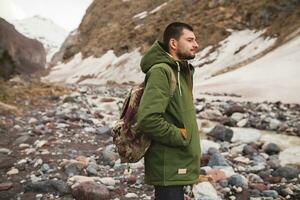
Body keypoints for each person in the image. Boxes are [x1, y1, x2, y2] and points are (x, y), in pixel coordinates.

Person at [136, 22, 201, 200]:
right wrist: (182, 136)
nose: (196, 44)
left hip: (177, 161)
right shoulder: (161, 71)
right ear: (173, 43)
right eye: (190, 40)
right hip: (168, 165)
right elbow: (148, 119)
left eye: (195, 40)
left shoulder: (180, 71)